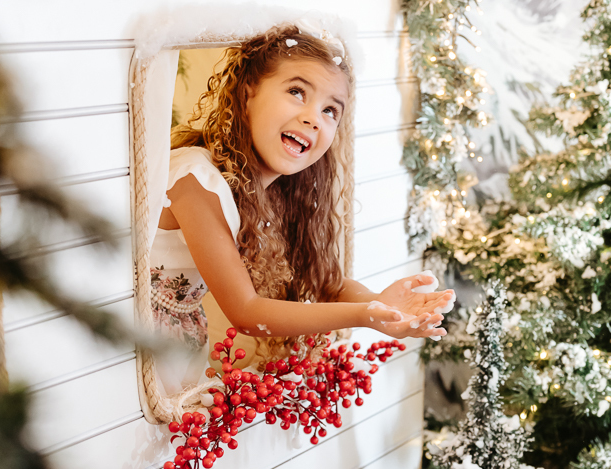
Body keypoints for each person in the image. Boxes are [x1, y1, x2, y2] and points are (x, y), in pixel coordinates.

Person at [149, 24, 454, 392]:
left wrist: (381, 304)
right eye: (297, 92)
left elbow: (322, 281)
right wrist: (365, 315)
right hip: (136, 342)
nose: (314, 118)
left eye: (330, 110)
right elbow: (245, 311)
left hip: (180, 345)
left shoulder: (270, 191)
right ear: (247, 94)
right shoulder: (195, 179)